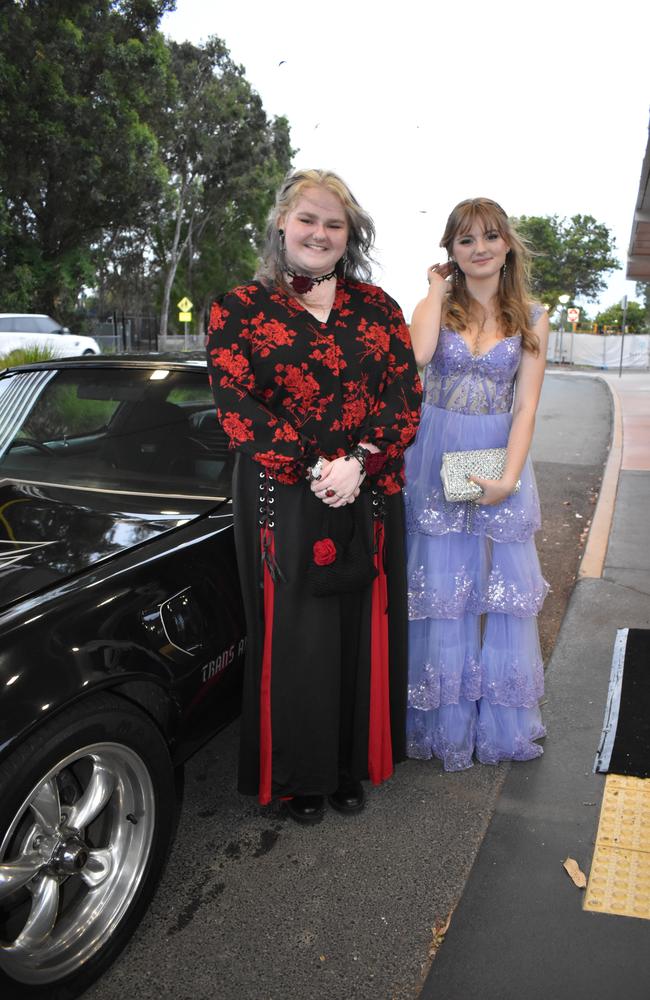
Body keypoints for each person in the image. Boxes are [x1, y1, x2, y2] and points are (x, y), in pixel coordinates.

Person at [206, 168, 422, 822]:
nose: (319, 233)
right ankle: (301, 776)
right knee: (296, 637)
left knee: (359, 630)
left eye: (334, 223)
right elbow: (234, 404)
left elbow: (404, 398)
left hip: (368, 488)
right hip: (282, 492)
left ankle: (347, 767)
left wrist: (357, 461)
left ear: (349, 233)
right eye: (308, 219)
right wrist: (313, 464)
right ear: (281, 224)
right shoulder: (238, 307)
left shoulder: (379, 308)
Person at [404, 197, 549, 771]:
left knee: (498, 595)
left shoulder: (533, 317)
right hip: (434, 453)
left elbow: (527, 407)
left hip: (496, 456)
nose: (480, 248)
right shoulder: (433, 304)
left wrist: (509, 477)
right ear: (451, 252)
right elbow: (415, 358)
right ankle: (439, 722)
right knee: (441, 591)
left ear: (507, 244)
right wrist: (435, 295)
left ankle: (495, 724)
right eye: (465, 240)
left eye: (490, 236)